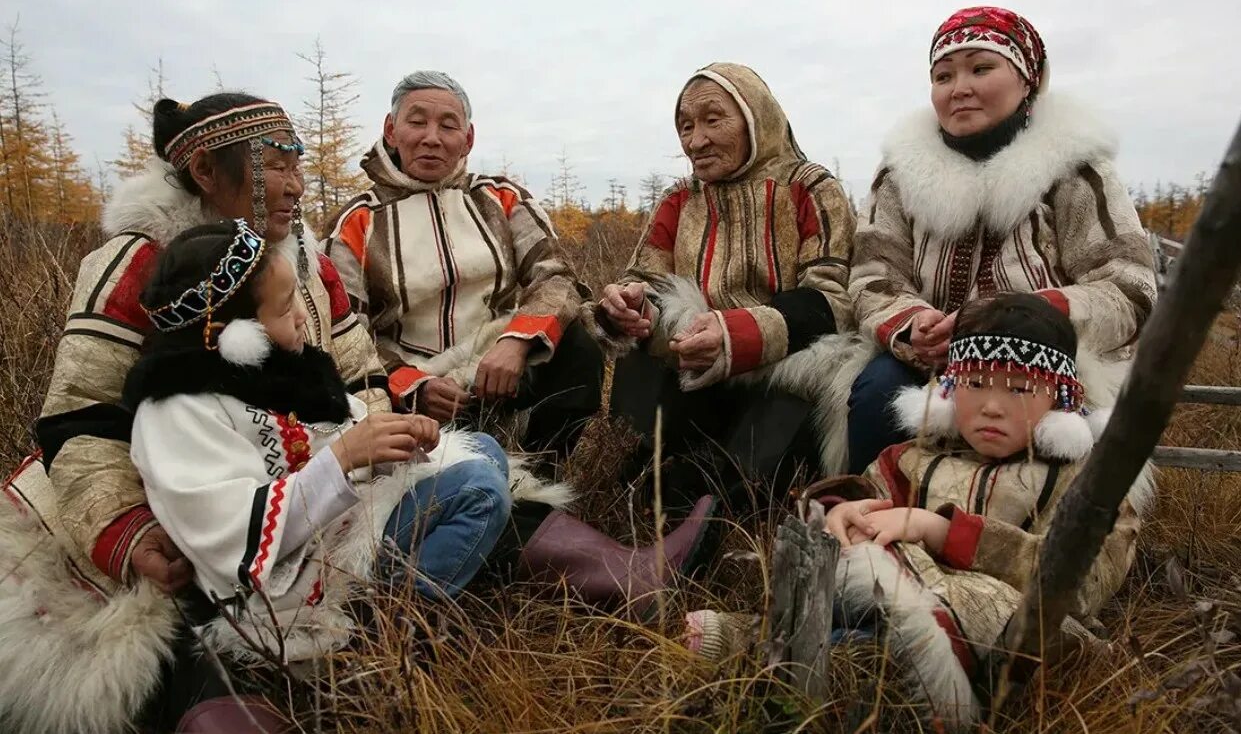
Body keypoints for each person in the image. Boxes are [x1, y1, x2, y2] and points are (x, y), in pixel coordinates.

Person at [0, 92, 390, 733]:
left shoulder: (307, 264)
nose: (295, 185)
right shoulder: (138, 261)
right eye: (274, 166)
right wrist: (123, 531)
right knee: (160, 630)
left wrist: (365, 448)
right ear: (207, 172)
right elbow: (81, 415)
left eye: (299, 166)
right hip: (163, 489)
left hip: (303, 474)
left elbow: (362, 374)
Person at [689, 294, 1151, 727]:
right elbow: (866, 492)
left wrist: (942, 530)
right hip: (893, 599)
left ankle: (771, 655)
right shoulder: (917, 456)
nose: (991, 406)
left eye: (1018, 388)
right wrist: (839, 513)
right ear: (950, 386)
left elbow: (1082, 582)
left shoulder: (1086, 486)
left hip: (1007, 638)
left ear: (1059, 395)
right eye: (974, 383)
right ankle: (779, 646)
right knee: (849, 589)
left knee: (877, 647)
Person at [126, 220, 511, 671]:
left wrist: (404, 439)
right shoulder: (175, 416)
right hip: (293, 583)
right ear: (235, 332)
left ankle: (434, 573)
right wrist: (345, 456)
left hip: (342, 529)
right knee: (480, 492)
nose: (303, 316)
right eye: (286, 305)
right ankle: (384, 632)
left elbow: (347, 434)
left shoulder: (277, 372)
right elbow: (229, 534)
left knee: (484, 448)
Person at [846, 6, 1158, 475]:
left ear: (1027, 80)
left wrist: (1029, 316)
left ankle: (1029, 540)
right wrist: (913, 325)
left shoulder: (1075, 169)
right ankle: (874, 519)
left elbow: (1130, 286)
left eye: (981, 68)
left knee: (1042, 449)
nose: (960, 88)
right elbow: (874, 274)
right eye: (943, 75)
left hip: (1044, 359)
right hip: (931, 361)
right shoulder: (899, 174)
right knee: (876, 396)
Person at [596, 62, 865, 514]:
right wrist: (625, 307)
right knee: (640, 363)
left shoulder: (810, 188)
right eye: (685, 125)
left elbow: (833, 297)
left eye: (712, 119)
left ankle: (724, 491)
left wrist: (736, 334)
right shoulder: (681, 199)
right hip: (693, 363)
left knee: (744, 488)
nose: (695, 140)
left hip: (785, 366)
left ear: (756, 117)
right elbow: (645, 278)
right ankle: (651, 476)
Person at [325, 70, 602, 462]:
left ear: (467, 138)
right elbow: (345, 332)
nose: (431, 137)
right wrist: (413, 386)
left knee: (578, 346)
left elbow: (555, 275)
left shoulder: (499, 198)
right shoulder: (357, 221)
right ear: (391, 130)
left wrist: (517, 341)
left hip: (503, 371)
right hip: (414, 397)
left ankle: (543, 469)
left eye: (448, 125)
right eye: (417, 121)